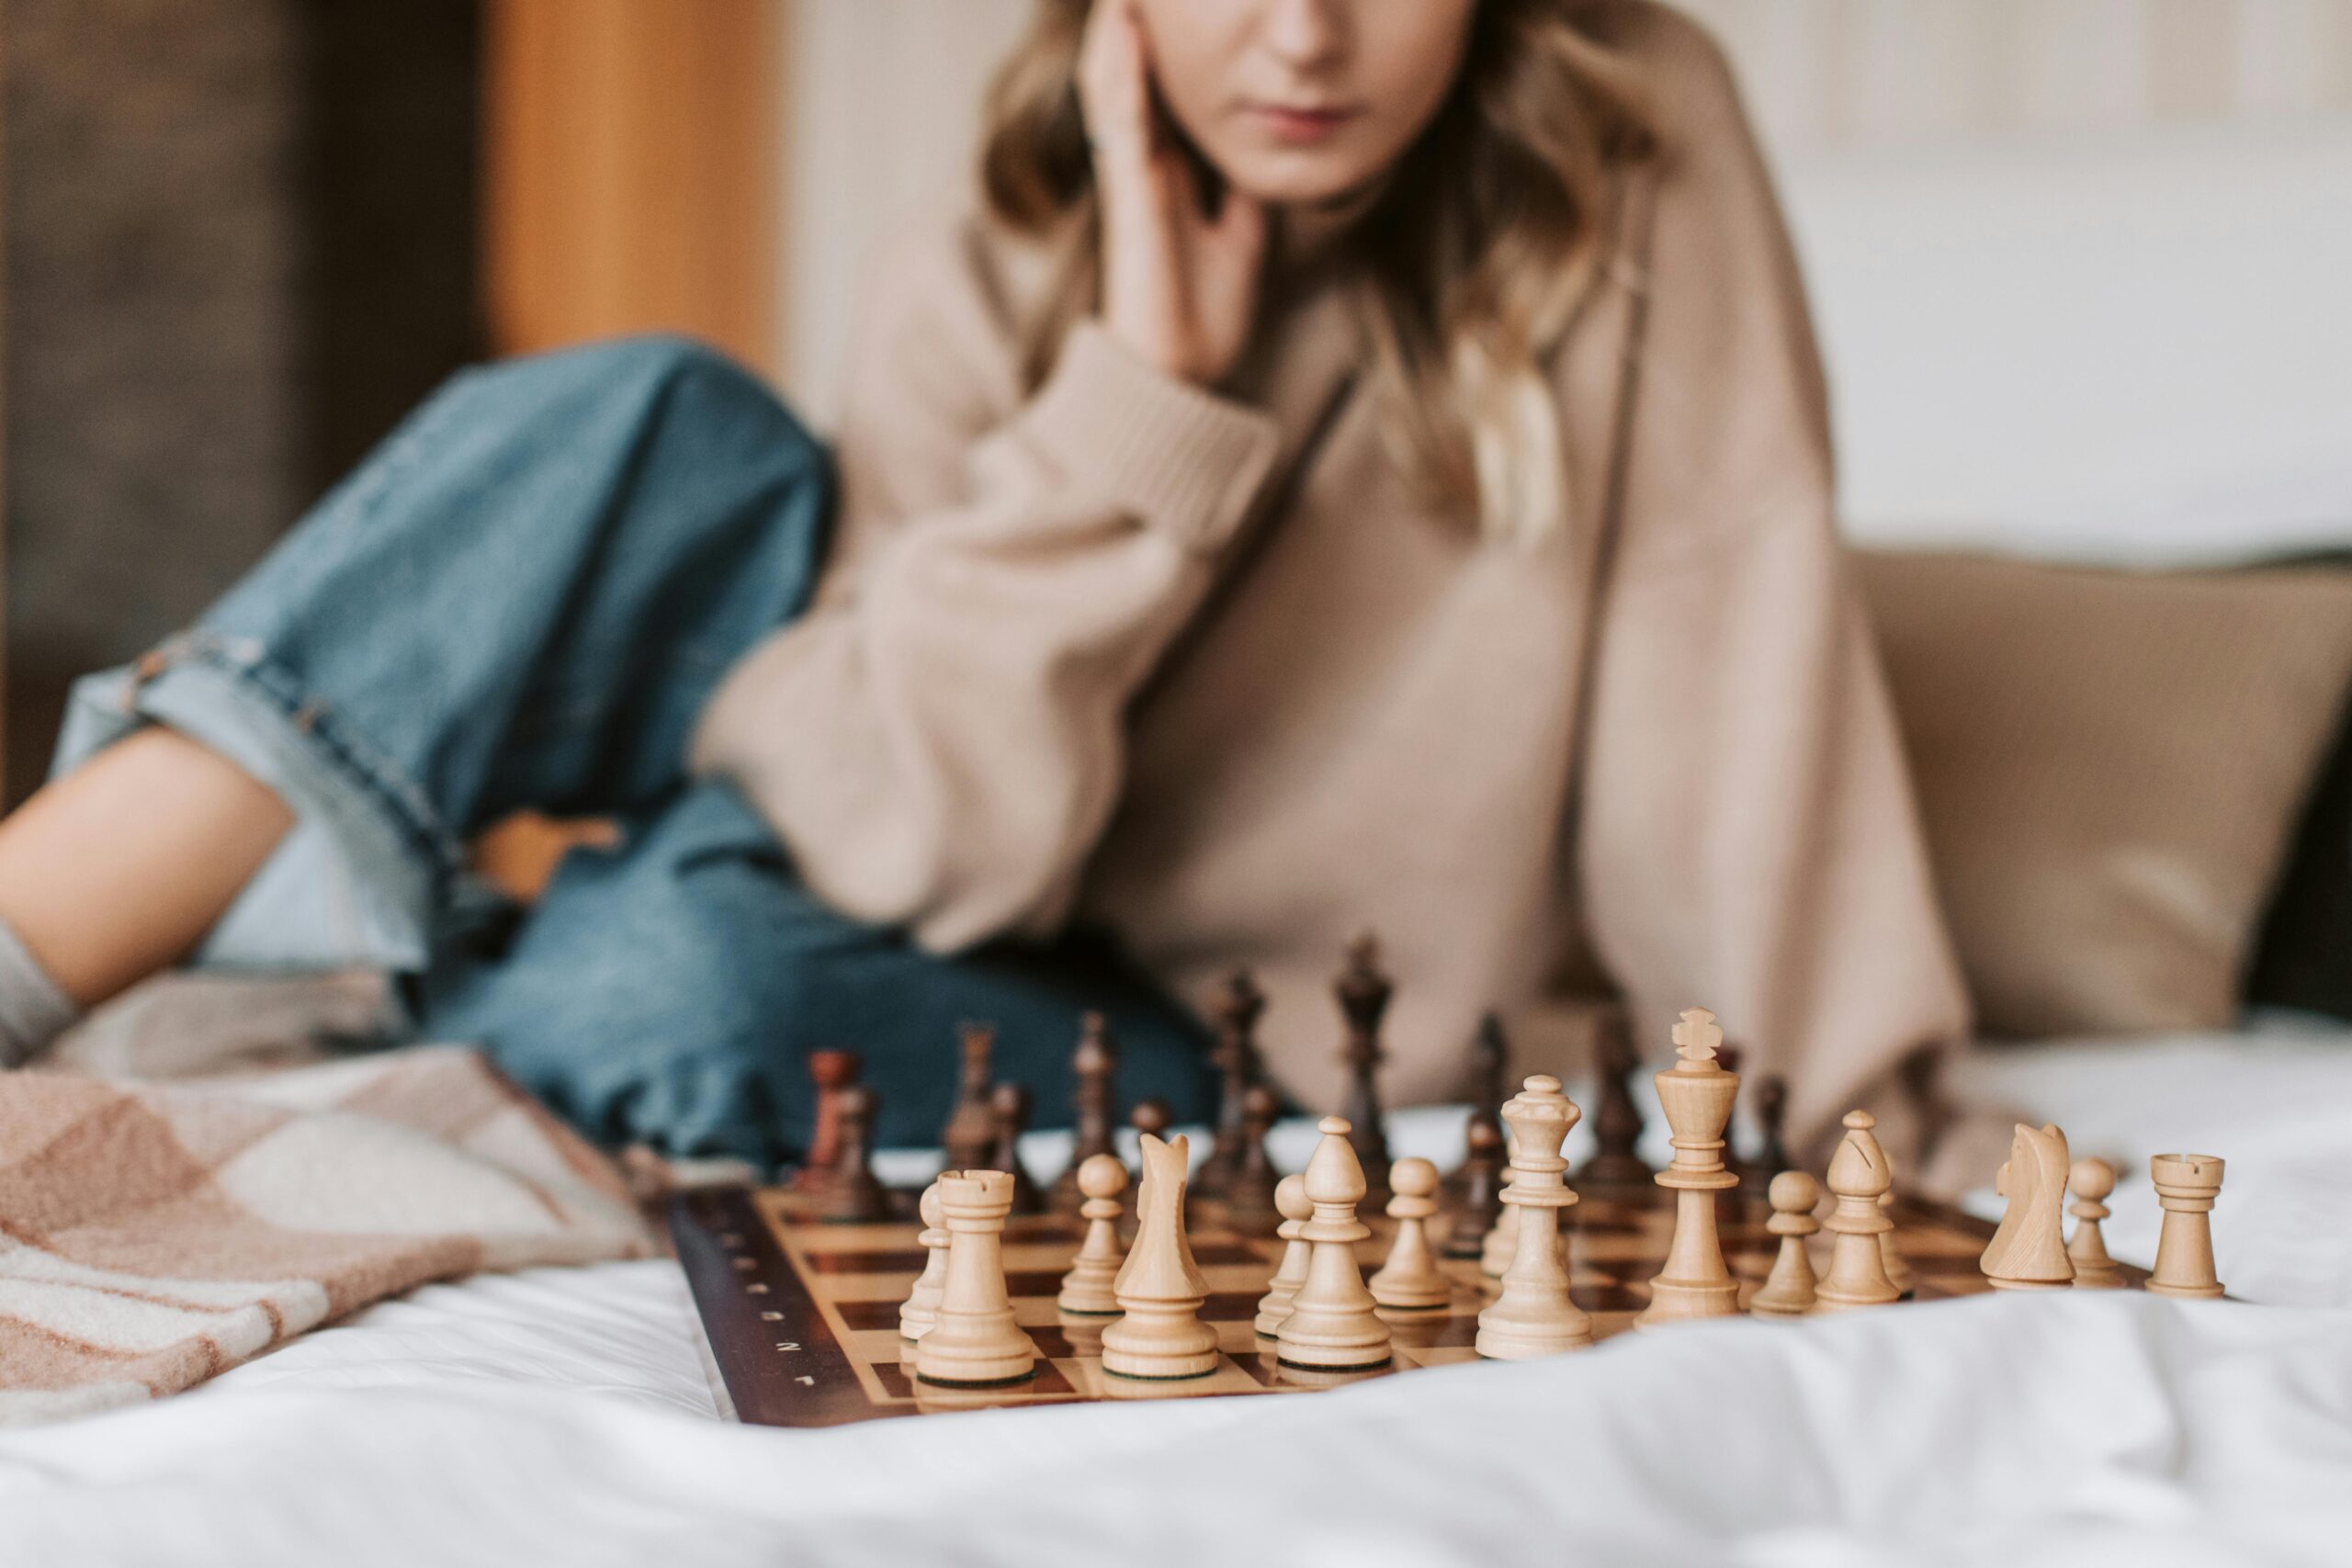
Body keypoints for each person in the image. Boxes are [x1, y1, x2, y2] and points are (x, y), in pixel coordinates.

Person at [0, 0, 1968, 1170]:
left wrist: (1854, 1121)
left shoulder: (1635, 144)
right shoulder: (1022, 196)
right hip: (900, 808)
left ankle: (391, 952)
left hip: (1184, 1012)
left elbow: (1736, 645)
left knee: (675, 975)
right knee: (643, 413)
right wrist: (1137, 387)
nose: (1297, 39)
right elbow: (899, 822)